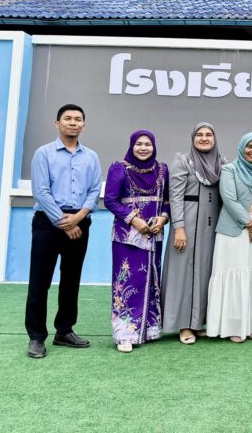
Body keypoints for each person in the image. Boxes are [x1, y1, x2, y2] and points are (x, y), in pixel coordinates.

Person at [25, 104, 101, 359]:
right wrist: (63, 222)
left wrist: (78, 218)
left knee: (71, 279)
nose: (73, 122)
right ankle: (36, 336)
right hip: (47, 222)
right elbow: (41, 191)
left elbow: (94, 191)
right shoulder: (43, 153)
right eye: (67, 118)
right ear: (57, 123)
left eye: (78, 119)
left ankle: (64, 330)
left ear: (83, 125)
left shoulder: (91, 156)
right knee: (40, 280)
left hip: (80, 222)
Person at [104, 130, 169, 353]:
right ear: (132, 146)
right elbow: (110, 201)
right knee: (127, 281)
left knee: (150, 279)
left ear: (154, 147)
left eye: (148, 144)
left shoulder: (162, 170)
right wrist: (134, 220)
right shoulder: (119, 168)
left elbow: (167, 201)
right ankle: (125, 334)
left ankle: (149, 329)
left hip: (153, 233)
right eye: (139, 144)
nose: (143, 148)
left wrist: (163, 218)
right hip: (128, 236)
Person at [161, 122, 227, 344]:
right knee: (184, 273)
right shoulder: (183, 162)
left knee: (204, 273)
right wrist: (179, 228)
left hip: (211, 227)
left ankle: (198, 323)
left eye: (209, 134)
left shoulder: (221, 164)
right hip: (187, 226)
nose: (204, 138)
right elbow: (175, 196)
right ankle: (183, 325)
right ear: (193, 138)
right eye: (199, 134)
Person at [207, 132, 252, 342]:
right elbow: (229, 198)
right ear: (242, 148)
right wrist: (248, 222)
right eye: (249, 147)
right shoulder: (230, 170)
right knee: (234, 275)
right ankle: (233, 326)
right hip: (233, 232)